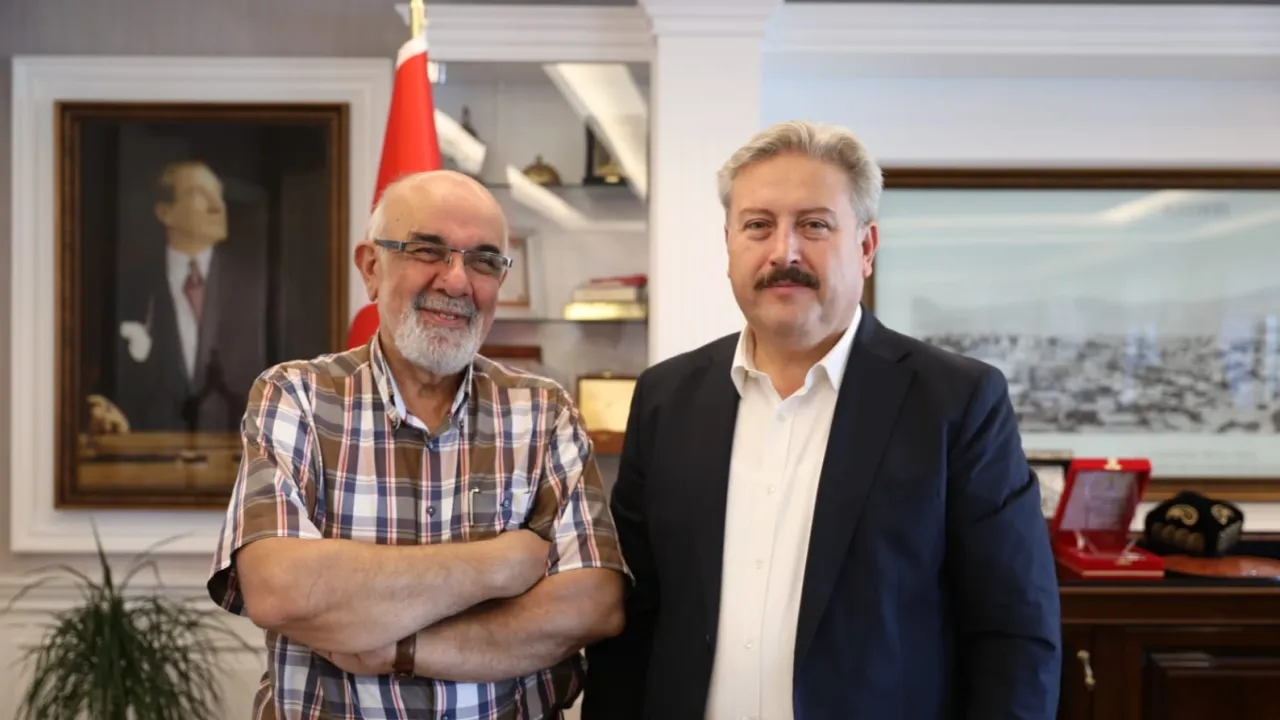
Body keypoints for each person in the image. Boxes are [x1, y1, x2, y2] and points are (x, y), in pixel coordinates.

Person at [582, 121, 1062, 719]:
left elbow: (1015, 634)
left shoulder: (956, 402)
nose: (784, 252)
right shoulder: (666, 398)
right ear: (729, 245)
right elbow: (633, 616)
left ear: (866, 247)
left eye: (814, 225)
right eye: (758, 225)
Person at [207, 170, 628, 719]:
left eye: (483, 261)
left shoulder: (544, 412)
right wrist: (502, 564)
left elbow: (593, 604)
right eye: (428, 250)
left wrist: (402, 651)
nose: (456, 281)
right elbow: (279, 589)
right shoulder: (297, 396)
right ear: (371, 268)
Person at [111, 159, 266, 432]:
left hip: (237, 452)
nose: (217, 206)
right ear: (165, 212)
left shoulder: (257, 288)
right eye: (199, 194)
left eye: (218, 194)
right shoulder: (132, 290)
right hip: (149, 451)